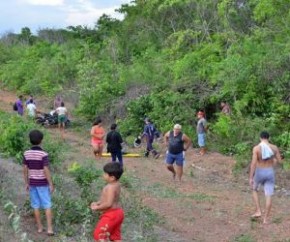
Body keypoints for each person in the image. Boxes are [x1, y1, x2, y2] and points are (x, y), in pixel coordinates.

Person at [23, 130, 54, 236]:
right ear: (41, 140)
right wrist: (50, 183)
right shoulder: (43, 154)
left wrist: (26, 182)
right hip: (43, 183)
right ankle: (49, 229)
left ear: (30, 140)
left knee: (35, 205)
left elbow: (25, 168)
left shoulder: (26, 153)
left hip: (32, 183)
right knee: (47, 205)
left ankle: (40, 227)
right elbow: (45, 169)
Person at [249, 131, 282, 224]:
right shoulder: (274, 148)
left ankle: (258, 210)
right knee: (268, 195)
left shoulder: (256, 148)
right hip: (270, 172)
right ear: (269, 137)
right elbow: (279, 161)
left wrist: (251, 177)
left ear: (260, 138)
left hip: (259, 171)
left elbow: (253, 164)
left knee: (254, 189)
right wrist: (274, 160)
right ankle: (265, 219)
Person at [90, 162, 124, 241]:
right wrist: (98, 202)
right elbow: (109, 199)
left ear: (112, 177)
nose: (103, 175)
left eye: (105, 174)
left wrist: (97, 208)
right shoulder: (117, 184)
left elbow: (108, 203)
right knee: (115, 236)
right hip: (118, 213)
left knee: (99, 234)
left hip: (111, 214)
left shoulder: (110, 187)